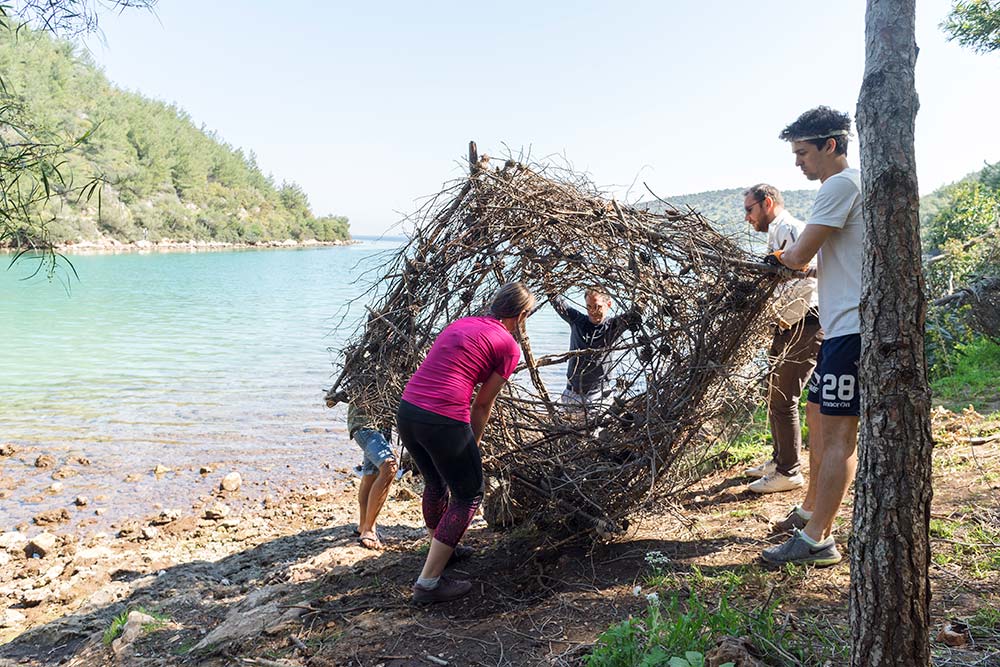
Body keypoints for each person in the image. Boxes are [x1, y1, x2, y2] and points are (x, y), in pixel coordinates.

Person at [760, 106, 864, 567]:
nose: (797, 162)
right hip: (839, 324)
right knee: (818, 418)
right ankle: (809, 511)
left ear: (830, 146)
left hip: (853, 328)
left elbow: (799, 256)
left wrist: (772, 260)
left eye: (803, 152)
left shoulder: (840, 184)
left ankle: (819, 540)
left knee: (839, 433)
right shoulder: (842, 188)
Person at [396, 282, 534, 604]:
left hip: (409, 411)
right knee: (469, 494)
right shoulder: (509, 346)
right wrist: (473, 444)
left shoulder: (459, 323)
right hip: (443, 419)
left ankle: (443, 549)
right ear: (522, 315)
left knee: (435, 481)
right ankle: (428, 584)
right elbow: (482, 405)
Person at [742, 184, 823, 495]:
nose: (748, 217)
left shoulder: (788, 228)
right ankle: (780, 461)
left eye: (750, 209)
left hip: (805, 322)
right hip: (788, 324)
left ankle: (789, 472)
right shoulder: (779, 231)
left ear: (768, 203)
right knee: (773, 393)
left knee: (784, 397)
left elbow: (799, 273)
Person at [549, 288, 641, 417]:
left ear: (608, 305)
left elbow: (636, 311)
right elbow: (557, 301)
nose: (592, 311)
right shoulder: (578, 321)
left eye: (597, 307)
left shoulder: (614, 325)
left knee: (595, 435)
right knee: (569, 434)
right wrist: (547, 280)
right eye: (589, 306)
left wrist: (636, 317)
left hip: (599, 396)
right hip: (571, 394)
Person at [347, 403, 398, 550]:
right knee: (389, 467)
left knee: (371, 474)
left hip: (381, 427)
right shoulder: (362, 379)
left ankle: (363, 526)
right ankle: (368, 530)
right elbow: (348, 390)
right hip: (364, 426)